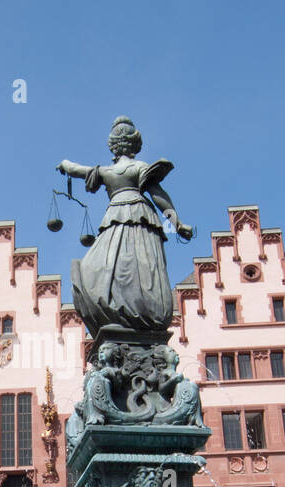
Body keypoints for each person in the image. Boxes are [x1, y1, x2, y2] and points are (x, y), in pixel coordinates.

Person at [57, 116, 194, 338]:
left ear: (113, 146)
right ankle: (133, 308)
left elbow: (77, 169)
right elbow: (159, 197)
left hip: (120, 216)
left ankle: (124, 308)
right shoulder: (138, 167)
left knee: (115, 264)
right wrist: (176, 223)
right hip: (140, 216)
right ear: (135, 144)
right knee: (135, 265)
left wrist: (64, 164)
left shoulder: (109, 171)